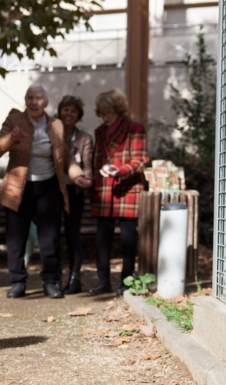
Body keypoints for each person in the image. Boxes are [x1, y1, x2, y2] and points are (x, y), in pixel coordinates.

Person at [0, 84, 91, 299]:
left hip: (49, 187)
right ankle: (17, 282)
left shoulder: (55, 125)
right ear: (25, 101)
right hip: (19, 187)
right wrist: (12, 139)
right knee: (17, 238)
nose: (34, 102)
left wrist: (77, 175)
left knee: (49, 238)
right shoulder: (14, 120)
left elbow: (64, 155)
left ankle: (51, 282)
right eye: (30, 98)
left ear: (45, 102)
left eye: (38, 98)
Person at [90, 88, 149, 297]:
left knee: (127, 241)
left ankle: (126, 282)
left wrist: (120, 170)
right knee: (102, 240)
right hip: (104, 191)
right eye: (102, 113)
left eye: (109, 112)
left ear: (118, 110)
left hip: (128, 189)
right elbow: (96, 160)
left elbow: (141, 160)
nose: (105, 117)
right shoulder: (99, 132)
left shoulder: (134, 128)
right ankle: (103, 282)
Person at [58, 95, 93, 294]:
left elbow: (87, 165)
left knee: (73, 235)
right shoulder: (52, 134)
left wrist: (87, 178)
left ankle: (74, 277)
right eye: (65, 109)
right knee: (52, 234)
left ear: (78, 115)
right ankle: (54, 277)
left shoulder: (84, 138)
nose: (68, 113)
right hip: (54, 190)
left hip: (75, 192)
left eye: (73, 110)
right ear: (60, 112)